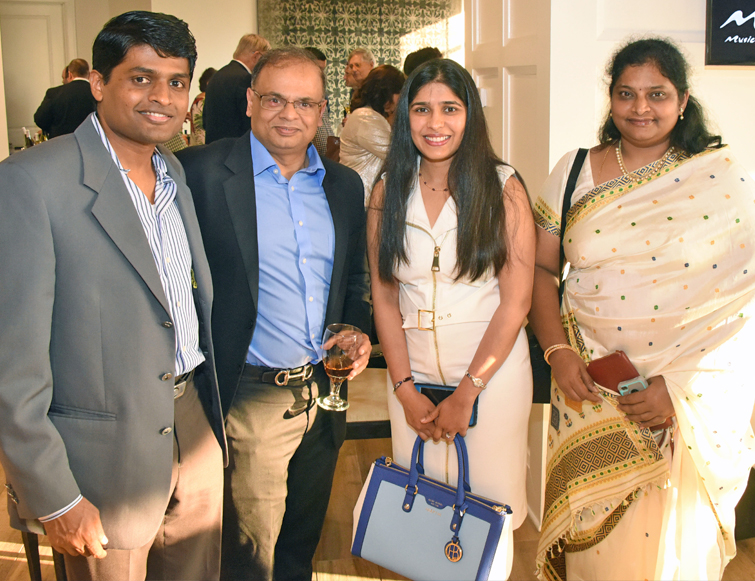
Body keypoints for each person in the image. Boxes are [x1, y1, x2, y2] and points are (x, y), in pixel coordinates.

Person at [0, 11, 226, 581]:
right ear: (99, 84)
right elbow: (12, 366)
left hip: (193, 425)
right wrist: (54, 497)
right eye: (141, 78)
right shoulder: (31, 183)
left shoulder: (173, 172)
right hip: (102, 457)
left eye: (176, 82)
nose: (162, 98)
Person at [530, 38, 755, 581]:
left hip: (677, 400)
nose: (641, 108)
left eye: (657, 94)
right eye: (627, 94)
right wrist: (558, 354)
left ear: (682, 100)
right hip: (586, 386)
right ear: (610, 100)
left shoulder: (716, 179)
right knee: (587, 543)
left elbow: (743, 305)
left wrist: (677, 392)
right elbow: (540, 271)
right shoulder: (573, 171)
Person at [175, 47, 371, 581]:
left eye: (305, 102)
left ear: (322, 109)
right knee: (248, 554)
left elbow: (354, 278)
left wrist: (356, 328)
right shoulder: (199, 174)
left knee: (297, 547)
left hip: (324, 399)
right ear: (249, 101)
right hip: (250, 398)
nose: (290, 114)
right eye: (275, 99)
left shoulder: (343, 186)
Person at [367, 58, 535, 542]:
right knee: (419, 516)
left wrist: (468, 392)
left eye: (450, 108)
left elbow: (515, 302)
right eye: (421, 109)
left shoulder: (503, 187)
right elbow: (384, 293)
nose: (435, 124)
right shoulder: (387, 188)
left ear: (470, 115)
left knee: (489, 516)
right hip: (412, 377)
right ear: (404, 117)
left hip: (490, 380)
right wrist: (402, 386)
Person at [340, 64, 405, 203]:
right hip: (361, 200)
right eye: (400, 92)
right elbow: (398, 154)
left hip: (359, 198)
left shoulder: (370, 115)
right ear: (388, 93)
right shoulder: (366, 117)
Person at [203, 33, 270, 143]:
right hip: (235, 148)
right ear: (256, 56)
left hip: (213, 147)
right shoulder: (245, 79)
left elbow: (206, 119)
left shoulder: (217, 75)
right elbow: (249, 122)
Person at [34, 58, 96, 138]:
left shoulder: (54, 93)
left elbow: (40, 120)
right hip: (91, 142)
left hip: (61, 144)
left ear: (70, 74)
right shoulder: (97, 93)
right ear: (89, 74)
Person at [304, 47, 335, 158]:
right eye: (318, 68)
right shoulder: (296, 94)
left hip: (325, 156)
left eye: (323, 70)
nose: (322, 74)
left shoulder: (322, 91)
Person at [189, 66, 216, 145]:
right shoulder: (203, 100)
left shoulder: (199, 99)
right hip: (201, 145)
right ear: (209, 82)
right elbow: (200, 130)